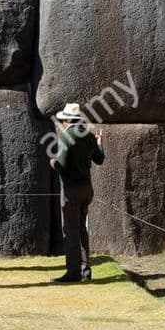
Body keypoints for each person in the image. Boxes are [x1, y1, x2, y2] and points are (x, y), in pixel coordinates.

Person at [49, 103, 105, 283]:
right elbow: (100, 159)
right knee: (82, 229)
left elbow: (61, 165)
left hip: (71, 190)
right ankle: (85, 270)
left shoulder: (66, 136)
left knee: (71, 231)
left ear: (66, 120)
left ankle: (73, 273)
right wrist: (99, 143)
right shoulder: (88, 136)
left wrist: (52, 163)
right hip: (87, 189)